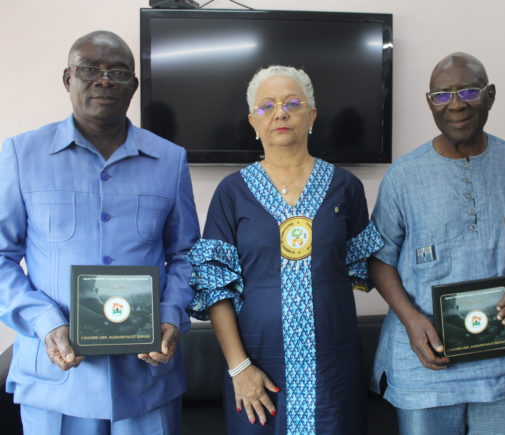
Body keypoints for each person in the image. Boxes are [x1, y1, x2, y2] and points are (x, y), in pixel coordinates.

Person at [0, 30, 200, 434]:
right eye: (90, 69)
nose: (104, 80)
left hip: (146, 378)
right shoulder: (22, 154)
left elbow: (186, 255)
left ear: (133, 87)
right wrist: (43, 321)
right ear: (68, 79)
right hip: (58, 378)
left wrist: (172, 314)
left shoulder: (170, 159)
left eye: (118, 72)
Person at [370, 52, 505, 434]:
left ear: (490, 95)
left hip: (503, 365)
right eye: (442, 95)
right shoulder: (403, 177)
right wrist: (411, 320)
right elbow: (379, 259)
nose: (455, 105)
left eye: (468, 92)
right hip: (427, 359)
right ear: (429, 103)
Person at [187, 65, 383, 434]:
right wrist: (239, 368)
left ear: (311, 116)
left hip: (332, 367)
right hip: (257, 368)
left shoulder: (346, 187)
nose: (280, 112)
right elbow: (215, 289)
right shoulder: (231, 193)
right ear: (252, 121)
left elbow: (360, 271)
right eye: (267, 106)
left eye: (293, 103)